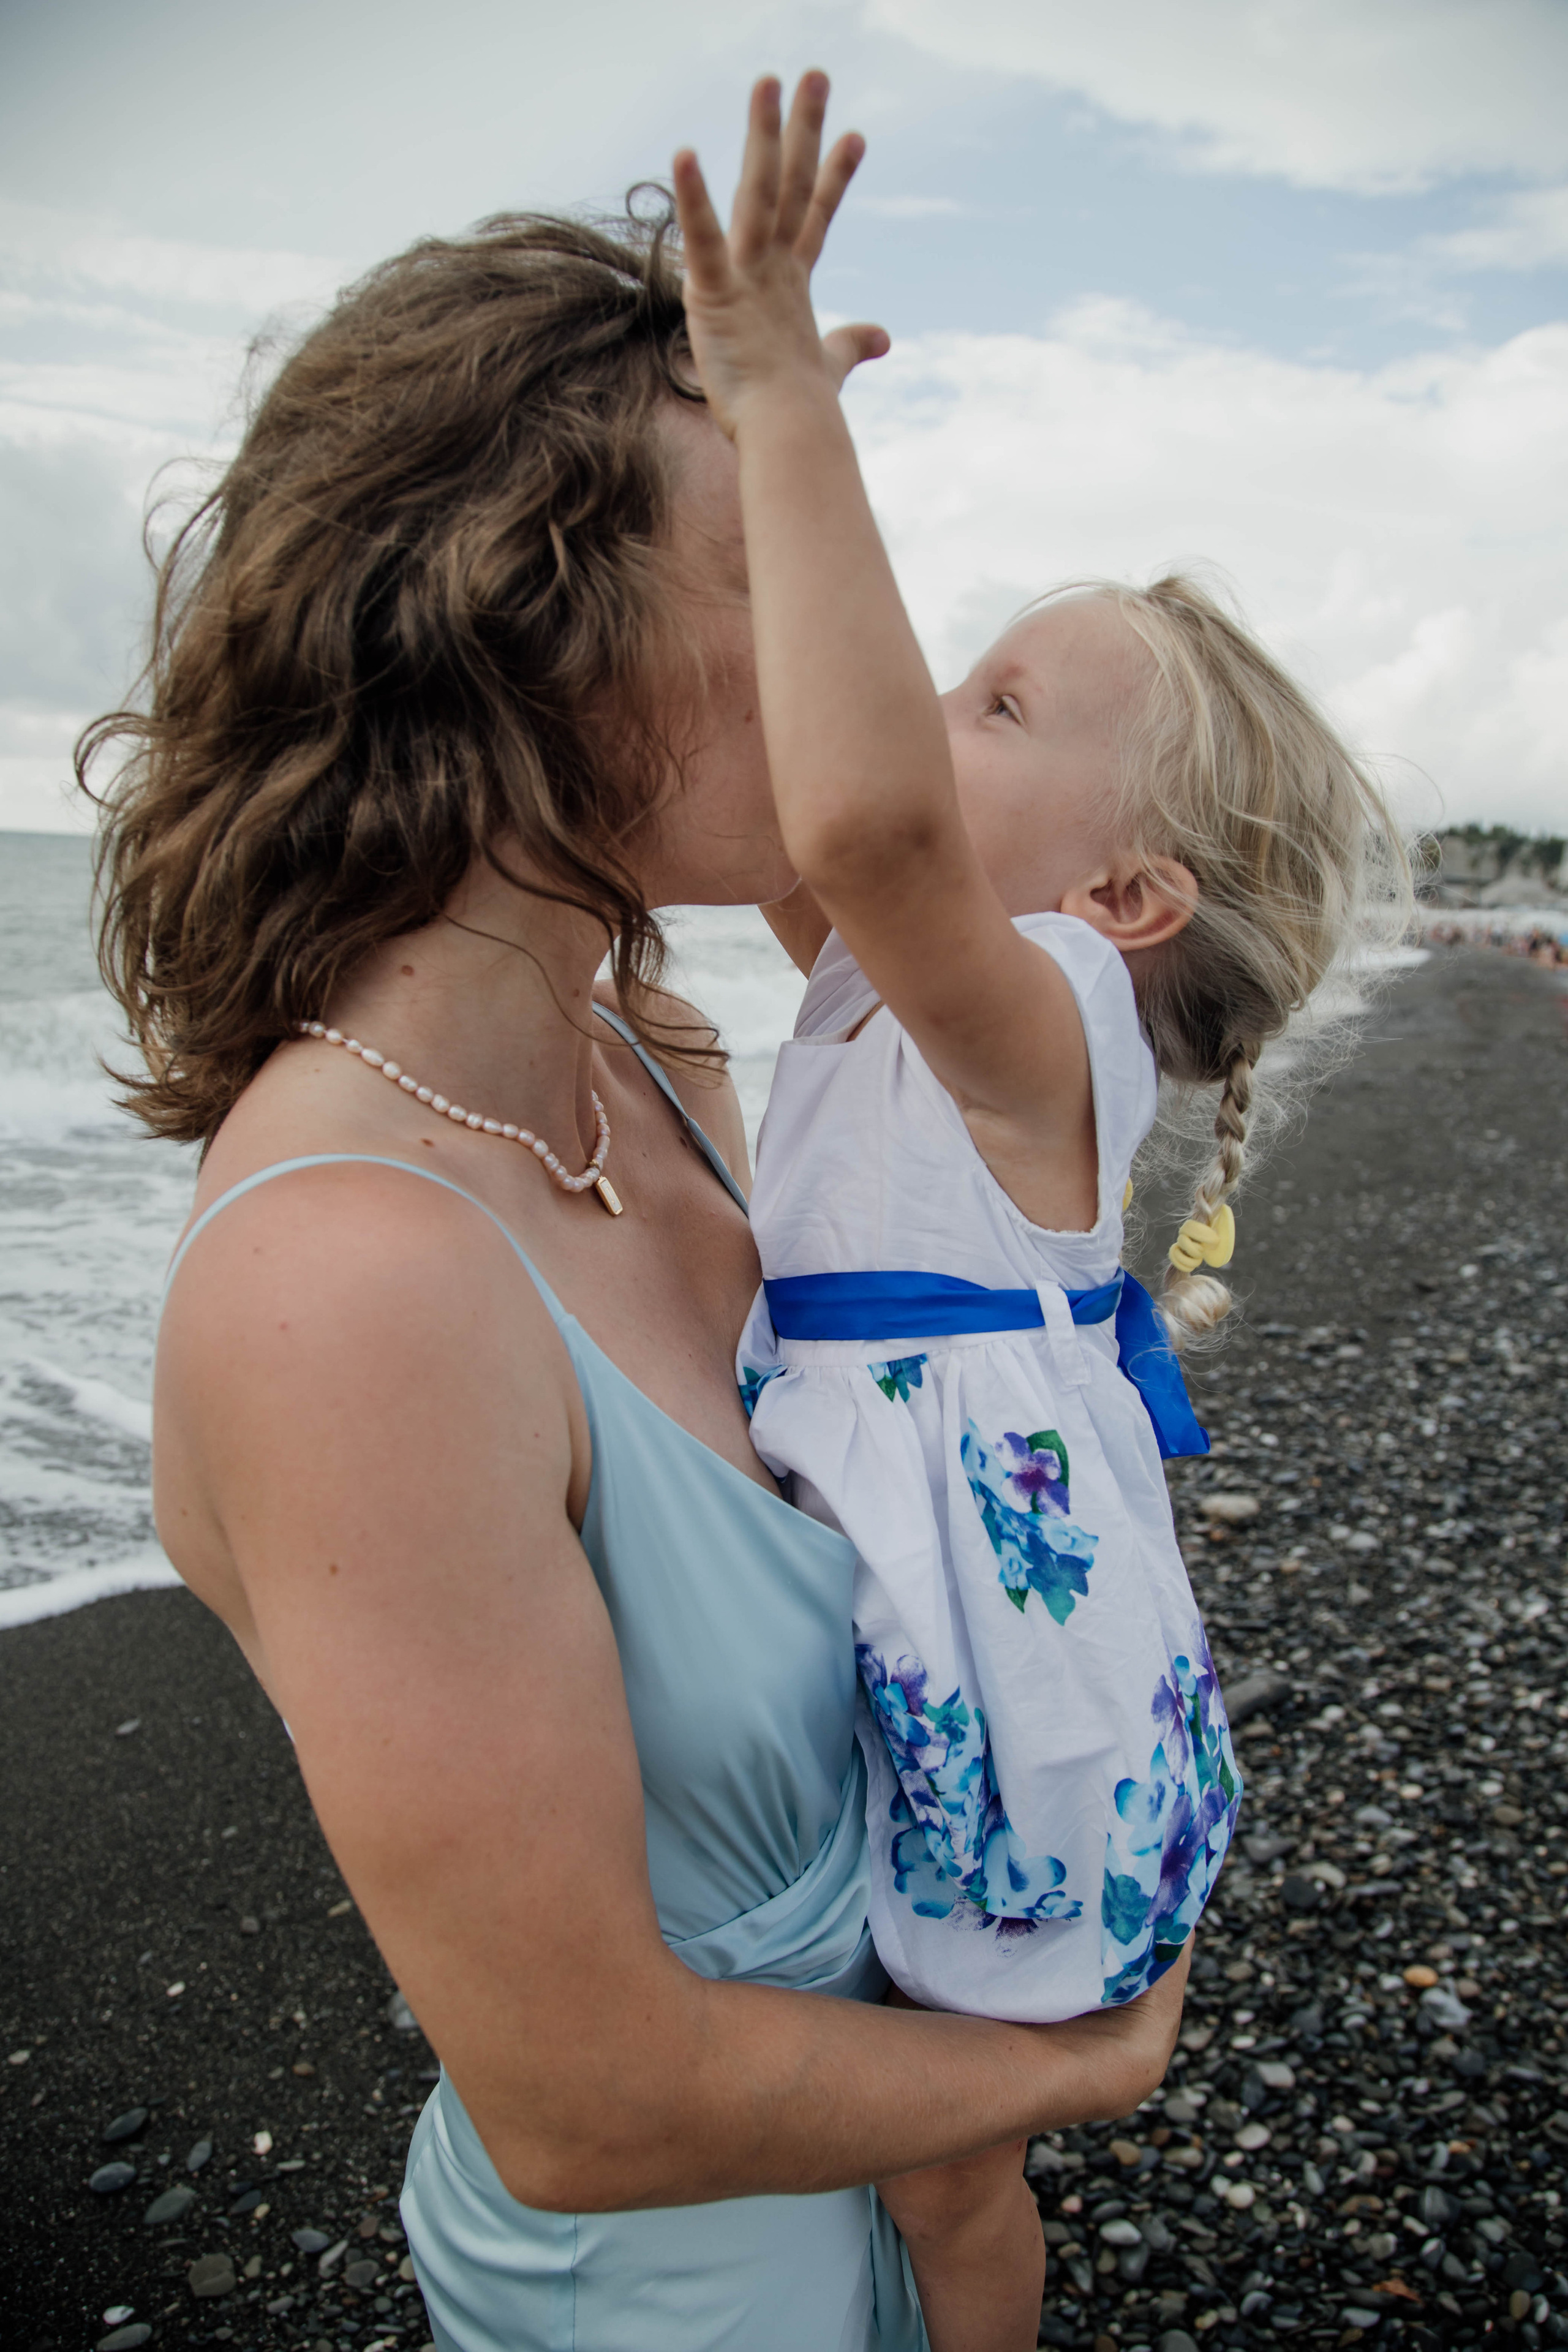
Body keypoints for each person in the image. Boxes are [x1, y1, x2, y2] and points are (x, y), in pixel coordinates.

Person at [81, 170, 1190, 2352]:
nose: (847, 624)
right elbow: (584, 2100)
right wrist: (1084, 2066)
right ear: (524, 621)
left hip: (896, 2198)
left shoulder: (658, 1047)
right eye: (771, 555)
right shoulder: (350, 1284)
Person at [673, 71, 1410, 2352]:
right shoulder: (886, 994)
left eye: (997, 695)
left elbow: (867, 823)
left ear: (1120, 892)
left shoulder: (1052, 1017)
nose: (930, 709)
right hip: (905, 1617)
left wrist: (795, 406)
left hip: (1006, 1690)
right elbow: (810, 813)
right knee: (898, 2110)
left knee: (950, 2149)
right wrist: (715, 466)